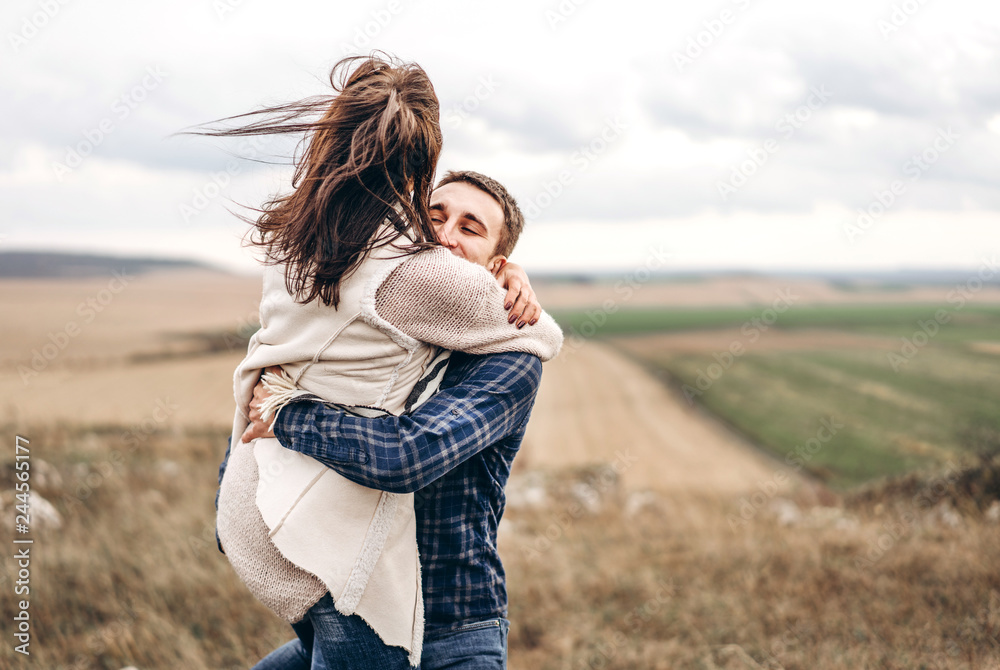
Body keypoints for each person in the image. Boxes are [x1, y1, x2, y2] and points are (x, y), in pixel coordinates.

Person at [208, 54, 563, 670]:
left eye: (472, 229)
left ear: (498, 265)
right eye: (435, 216)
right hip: (350, 600)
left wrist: (290, 413)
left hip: (452, 629)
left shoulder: (508, 362)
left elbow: (404, 456)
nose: (447, 235)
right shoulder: (391, 321)